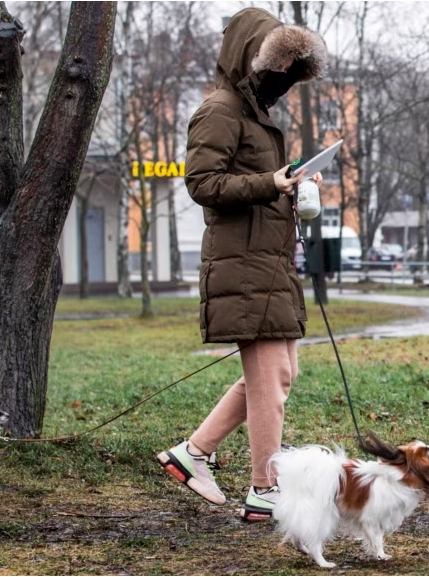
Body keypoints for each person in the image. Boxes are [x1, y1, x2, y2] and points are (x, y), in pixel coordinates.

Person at [156, 7, 326, 522]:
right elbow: (202, 184)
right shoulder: (221, 110)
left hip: (267, 261)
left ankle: (194, 452)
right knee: (271, 377)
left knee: (279, 374)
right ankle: (264, 489)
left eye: (290, 77)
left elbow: (254, 181)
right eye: (278, 73)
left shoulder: (255, 115)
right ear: (252, 60)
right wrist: (268, 184)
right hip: (244, 266)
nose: (283, 86)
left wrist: (290, 189)